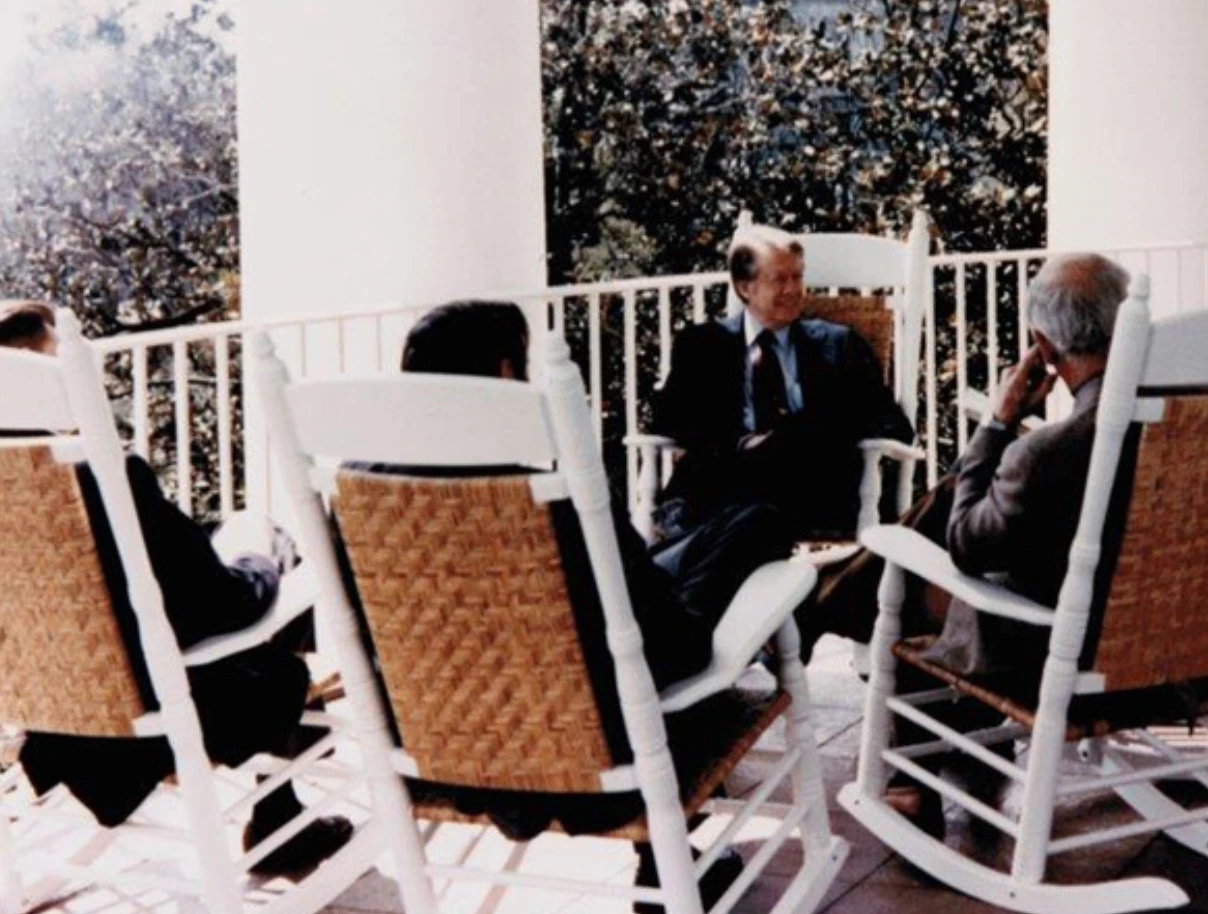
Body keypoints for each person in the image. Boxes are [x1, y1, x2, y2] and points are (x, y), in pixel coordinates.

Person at [392, 300, 787, 911]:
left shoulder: (364, 498)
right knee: (758, 527)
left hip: (453, 736)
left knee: (717, 535)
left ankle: (671, 860)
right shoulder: (550, 500)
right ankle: (667, 864)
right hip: (599, 733)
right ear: (502, 376)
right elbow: (665, 640)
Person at [5, 300, 351, 876]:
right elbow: (225, 606)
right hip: (155, 713)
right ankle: (280, 812)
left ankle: (288, 790)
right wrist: (261, 561)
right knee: (276, 614)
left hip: (51, 719)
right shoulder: (105, 474)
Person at [653, 224, 914, 543]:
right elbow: (670, 419)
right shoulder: (703, 346)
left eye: (798, 277)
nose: (793, 290)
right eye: (780, 279)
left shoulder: (839, 345)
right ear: (744, 287)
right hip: (725, 491)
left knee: (791, 442)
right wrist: (741, 444)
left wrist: (809, 433)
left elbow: (894, 425)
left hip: (807, 490)